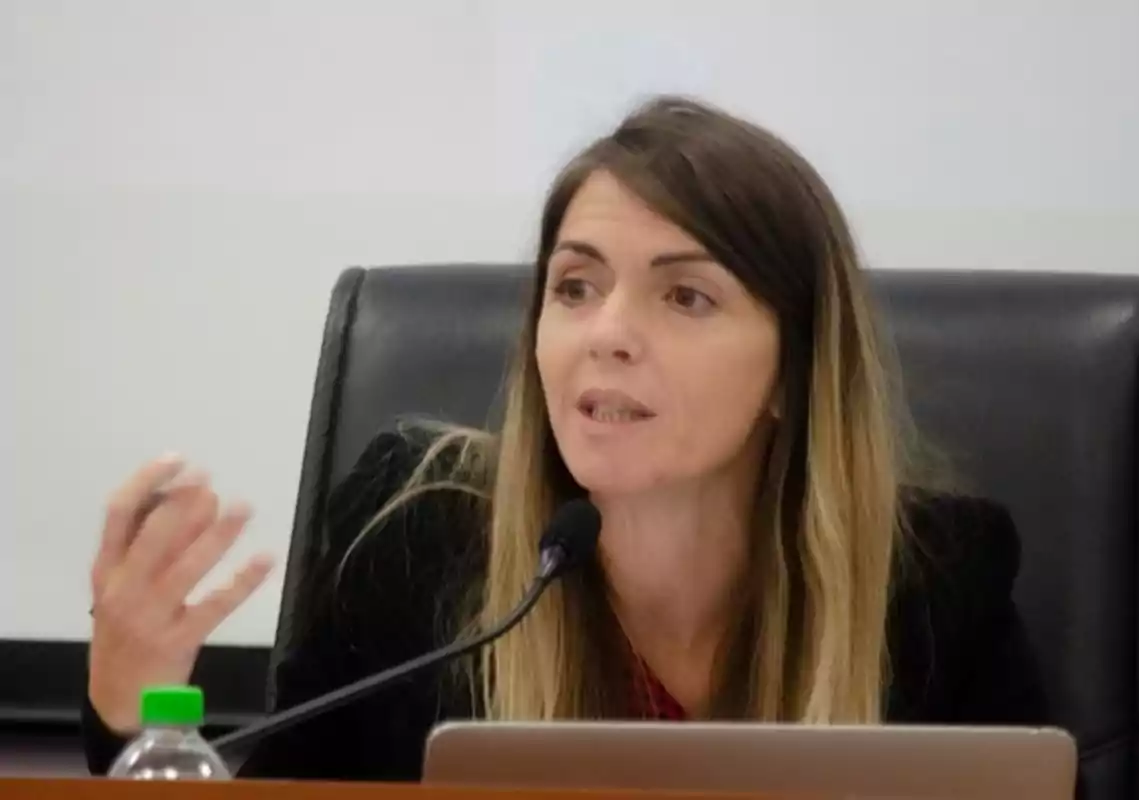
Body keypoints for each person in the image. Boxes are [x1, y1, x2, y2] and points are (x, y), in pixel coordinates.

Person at [83, 95, 1047, 781]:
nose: (606, 333)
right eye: (574, 287)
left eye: (686, 295)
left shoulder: (930, 583)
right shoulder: (416, 542)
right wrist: (133, 712)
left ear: (794, 373)